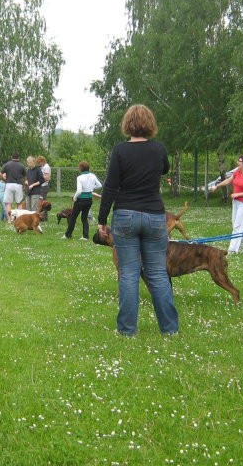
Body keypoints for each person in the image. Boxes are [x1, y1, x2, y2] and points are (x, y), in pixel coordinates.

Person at [97, 104, 178, 336]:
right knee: (158, 273)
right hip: (154, 216)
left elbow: (111, 187)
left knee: (129, 273)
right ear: (150, 124)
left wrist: (102, 220)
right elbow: (165, 169)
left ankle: (126, 331)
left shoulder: (120, 151)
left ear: (127, 124)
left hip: (125, 216)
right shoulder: (159, 149)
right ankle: (170, 330)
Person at [210, 155, 243, 254]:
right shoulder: (237, 172)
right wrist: (216, 186)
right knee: (237, 226)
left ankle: (232, 250)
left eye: (240, 161)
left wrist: (238, 194)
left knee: (238, 226)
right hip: (236, 202)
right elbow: (228, 181)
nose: (237, 162)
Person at [63, 161, 102, 240]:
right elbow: (100, 185)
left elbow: (79, 191)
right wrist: (90, 188)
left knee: (73, 217)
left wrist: (74, 197)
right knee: (84, 218)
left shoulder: (80, 177)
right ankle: (85, 236)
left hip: (80, 200)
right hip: (89, 200)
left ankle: (68, 235)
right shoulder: (92, 175)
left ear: (80, 168)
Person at [1, 152, 27, 221]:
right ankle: (19, 220)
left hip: (9, 184)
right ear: (18, 158)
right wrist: (24, 184)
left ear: (11, 157)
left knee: (8, 203)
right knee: (19, 203)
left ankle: (9, 220)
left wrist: (4, 179)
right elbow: (25, 176)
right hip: (18, 185)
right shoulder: (21, 165)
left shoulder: (6, 165)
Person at [37, 155, 52, 221]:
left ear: (42, 161)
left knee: (43, 203)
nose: (39, 164)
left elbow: (47, 178)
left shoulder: (46, 167)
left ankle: (44, 218)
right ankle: (43, 218)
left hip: (44, 186)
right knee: (42, 202)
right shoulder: (43, 167)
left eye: (39, 162)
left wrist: (40, 175)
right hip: (41, 186)